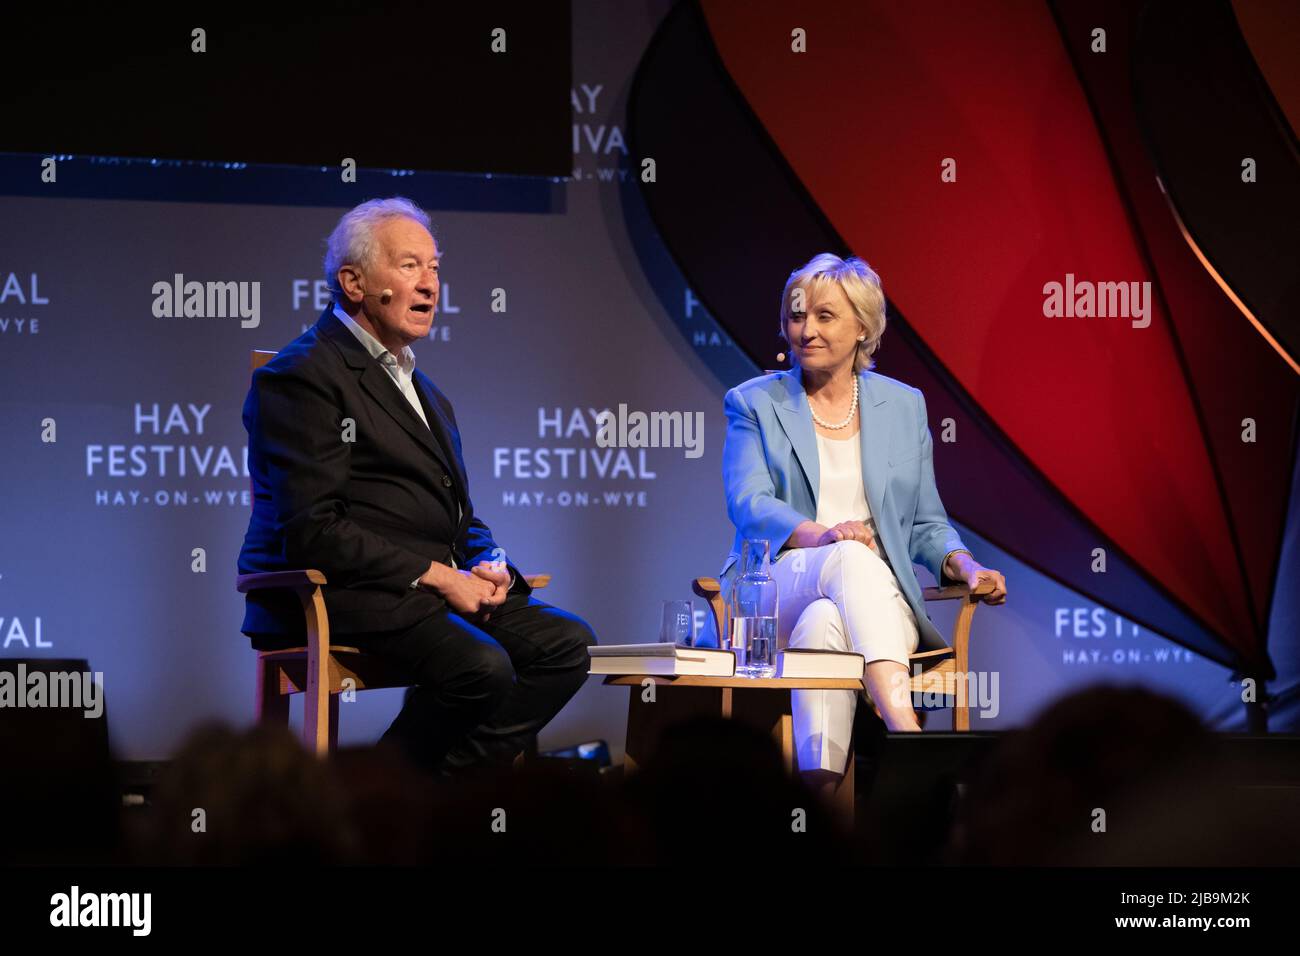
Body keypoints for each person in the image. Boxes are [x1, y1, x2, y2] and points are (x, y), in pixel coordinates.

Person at [238, 197, 596, 775]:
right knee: (481, 668)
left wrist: (488, 561)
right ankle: (379, 798)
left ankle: (430, 795)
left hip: (426, 590)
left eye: (434, 267)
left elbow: (458, 516)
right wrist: (439, 576)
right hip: (340, 591)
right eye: (409, 267)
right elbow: (313, 529)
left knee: (568, 645)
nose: (430, 284)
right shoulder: (301, 376)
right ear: (353, 282)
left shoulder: (425, 388)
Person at [717, 253, 1006, 794]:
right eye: (796, 315)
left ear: (864, 327)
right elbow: (748, 502)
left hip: (869, 602)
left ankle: (818, 805)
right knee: (847, 556)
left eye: (825, 317)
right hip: (776, 587)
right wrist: (821, 536)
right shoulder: (754, 402)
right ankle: (907, 730)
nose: (806, 330)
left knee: (825, 624)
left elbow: (924, 523)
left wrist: (963, 564)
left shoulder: (903, 406)